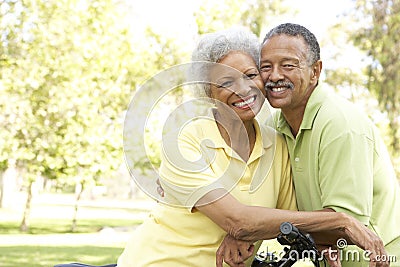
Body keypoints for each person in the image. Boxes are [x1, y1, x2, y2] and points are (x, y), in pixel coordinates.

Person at [118, 27, 388, 267]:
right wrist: (342, 221)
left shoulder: (277, 143)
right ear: (208, 93)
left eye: (250, 74)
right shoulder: (187, 139)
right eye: (225, 82)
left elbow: (291, 221)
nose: (243, 88)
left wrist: (249, 231)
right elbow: (238, 220)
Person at [220, 23, 400, 267]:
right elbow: (261, 190)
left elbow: (345, 225)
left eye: (288, 65)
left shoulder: (340, 125)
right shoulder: (276, 125)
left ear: (316, 71)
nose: (274, 76)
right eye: (266, 67)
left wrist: (252, 230)